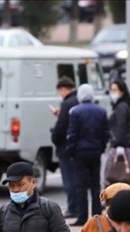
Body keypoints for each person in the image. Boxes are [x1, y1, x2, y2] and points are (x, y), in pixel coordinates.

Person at [66, 83, 110, 226]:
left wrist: (71, 151)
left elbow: (72, 134)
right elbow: (105, 134)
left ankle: (82, 216)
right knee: (95, 184)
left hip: (80, 153)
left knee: (81, 185)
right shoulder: (101, 111)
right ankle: (96, 215)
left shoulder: (75, 111)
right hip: (95, 151)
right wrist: (101, 148)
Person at [103, 79, 130, 186]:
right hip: (127, 146)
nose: (113, 92)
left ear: (122, 91)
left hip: (120, 147)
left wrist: (117, 144)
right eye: (112, 90)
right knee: (124, 178)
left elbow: (121, 128)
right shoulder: (125, 106)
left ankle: (111, 200)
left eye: (115, 90)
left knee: (112, 177)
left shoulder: (121, 108)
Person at [50, 76, 80, 218]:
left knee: (69, 179)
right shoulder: (78, 100)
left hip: (66, 147)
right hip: (77, 146)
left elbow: (61, 126)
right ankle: (79, 206)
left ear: (63, 89)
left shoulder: (67, 103)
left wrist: (54, 137)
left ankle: (72, 207)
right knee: (78, 178)